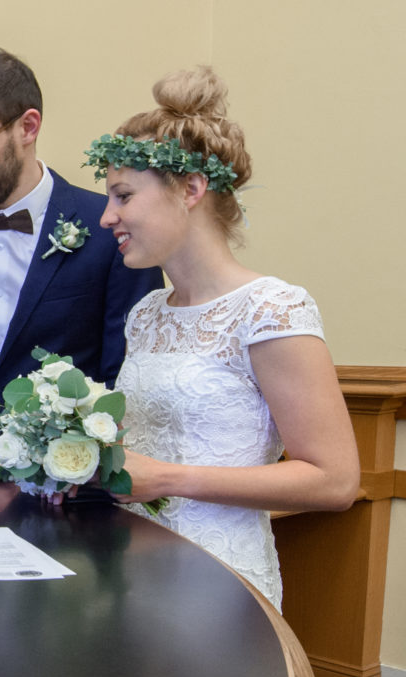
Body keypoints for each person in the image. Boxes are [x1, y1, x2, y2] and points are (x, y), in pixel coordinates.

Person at [81, 66, 358, 609]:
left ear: (190, 188)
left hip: (219, 582)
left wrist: (168, 479)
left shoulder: (272, 308)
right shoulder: (147, 313)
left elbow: (334, 480)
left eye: (122, 195)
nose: (106, 217)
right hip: (134, 569)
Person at [0, 48, 163, 472]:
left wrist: (57, 459)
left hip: (71, 492)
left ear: (27, 126)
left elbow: (129, 372)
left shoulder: (112, 230)